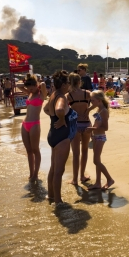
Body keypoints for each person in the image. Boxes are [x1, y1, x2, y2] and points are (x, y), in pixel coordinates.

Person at [43, 70, 78, 206]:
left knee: (53, 168)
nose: (69, 85)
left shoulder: (53, 95)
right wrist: (62, 119)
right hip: (62, 136)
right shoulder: (62, 97)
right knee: (59, 170)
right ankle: (58, 201)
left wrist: (55, 118)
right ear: (63, 84)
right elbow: (59, 110)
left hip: (53, 134)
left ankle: (51, 196)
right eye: (68, 82)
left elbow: (46, 109)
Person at [21, 75, 47, 183]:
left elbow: (44, 85)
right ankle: (31, 173)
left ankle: (36, 174)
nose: (30, 90)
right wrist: (29, 85)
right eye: (28, 88)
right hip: (25, 123)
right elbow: (19, 85)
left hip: (35, 124)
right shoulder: (29, 94)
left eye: (32, 88)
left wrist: (39, 84)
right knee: (28, 150)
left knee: (35, 149)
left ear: (36, 86)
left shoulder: (41, 95)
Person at [67, 72, 92, 185]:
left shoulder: (69, 95)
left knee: (76, 153)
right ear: (79, 82)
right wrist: (89, 109)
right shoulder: (87, 93)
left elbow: (63, 108)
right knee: (85, 150)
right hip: (86, 123)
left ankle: (75, 179)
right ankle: (82, 176)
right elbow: (100, 100)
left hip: (75, 124)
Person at [87, 91, 114, 190]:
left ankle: (109, 179)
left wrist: (92, 129)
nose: (91, 102)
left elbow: (105, 128)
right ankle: (98, 182)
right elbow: (97, 123)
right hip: (95, 137)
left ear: (99, 100)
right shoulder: (99, 109)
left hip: (100, 137)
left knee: (96, 161)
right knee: (97, 160)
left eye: (93, 100)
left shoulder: (104, 112)